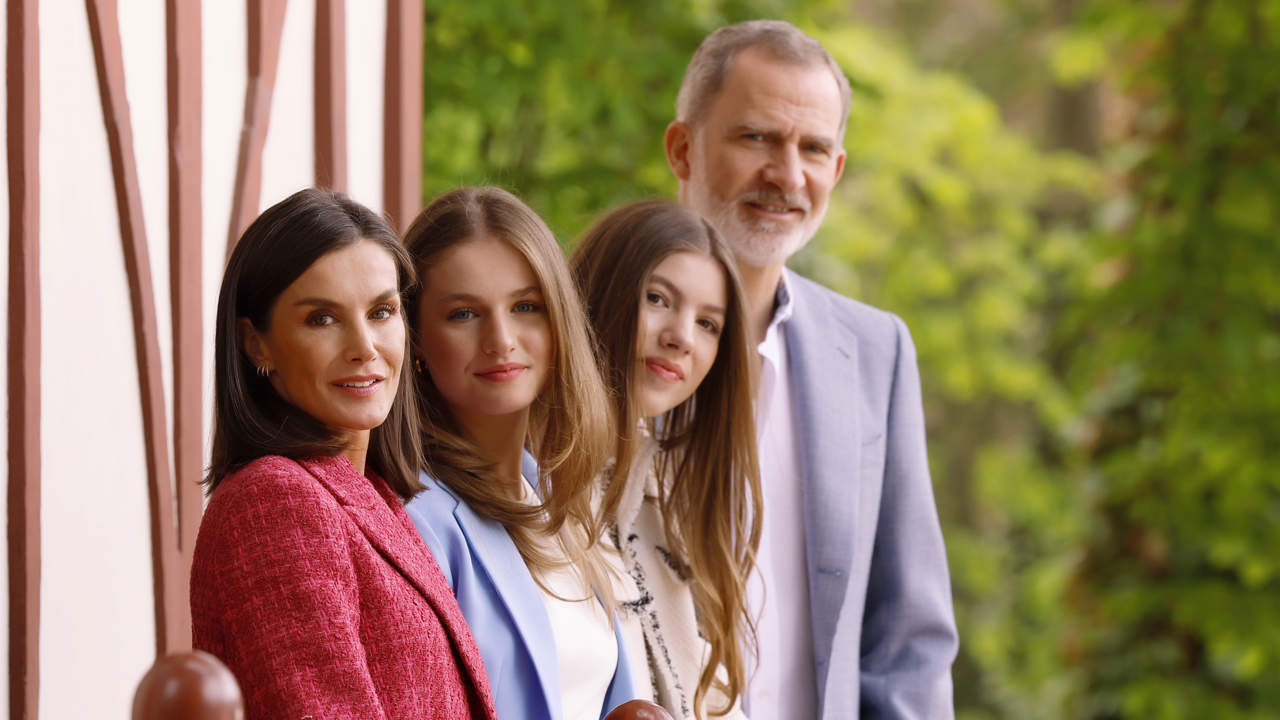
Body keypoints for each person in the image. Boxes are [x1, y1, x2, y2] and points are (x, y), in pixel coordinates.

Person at [663, 20, 959, 719]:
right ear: (682, 149)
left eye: (813, 148)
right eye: (757, 138)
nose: (786, 175)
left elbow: (908, 639)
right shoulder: (590, 336)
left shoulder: (875, 351)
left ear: (837, 169)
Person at [189, 188, 497, 718]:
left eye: (381, 311)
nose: (365, 347)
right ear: (255, 342)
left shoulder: (372, 496)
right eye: (321, 319)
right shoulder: (274, 502)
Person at [402, 186, 640, 720]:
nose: (501, 339)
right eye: (464, 314)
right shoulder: (415, 520)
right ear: (414, 339)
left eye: (526, 306)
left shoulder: (559, 500)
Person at [570, 199, 761, 720]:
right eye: (658, 299)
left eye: (708, 324)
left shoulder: (665, 503)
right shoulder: (534, 483)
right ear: (599, 292)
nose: (680, 336)